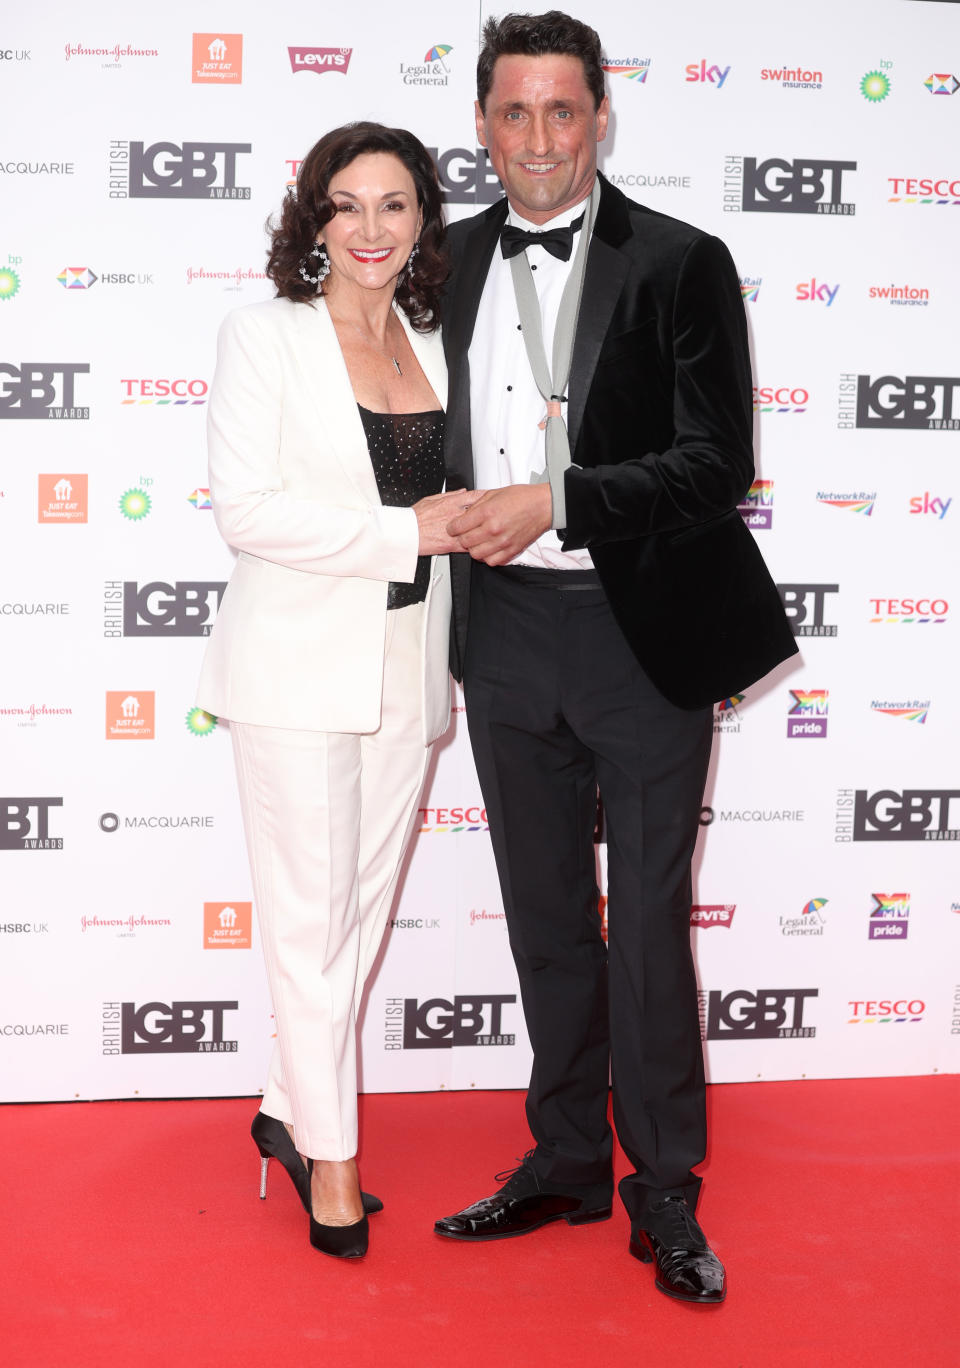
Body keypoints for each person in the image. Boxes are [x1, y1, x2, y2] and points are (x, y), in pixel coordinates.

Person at [433, 13, 797, 1303]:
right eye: (514, 113)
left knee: (644, 924)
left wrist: (561, 498)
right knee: (544, 920)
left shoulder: (682, 261)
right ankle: (568, 1159)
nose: (538, 139)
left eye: (563, 112)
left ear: (601, 119)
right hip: (503, 632)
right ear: (482, 123)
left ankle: (665, 1191)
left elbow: (718, 463)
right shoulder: (442, 261)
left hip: (643, 631)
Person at [196, 122, 477, 1259]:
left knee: (355, 921)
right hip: (296, 670)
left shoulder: (440, 341)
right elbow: (246, 511)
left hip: (410, 665)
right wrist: (405, 530)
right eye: (347, 205)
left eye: (394, 205)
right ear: (313, 219)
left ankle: (283, 1107)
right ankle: (334, 1160)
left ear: (423, 220)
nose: (371, 229)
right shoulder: (265, 337)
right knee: (311, 928)